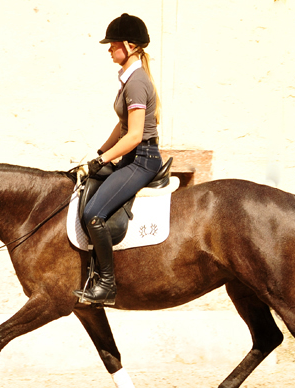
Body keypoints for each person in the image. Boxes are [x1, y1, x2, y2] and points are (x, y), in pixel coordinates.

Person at [74, 13, 163, 305]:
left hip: (142, 159)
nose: (109, 49)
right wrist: (99, 154)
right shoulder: (130, 79)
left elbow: (135, 135)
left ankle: (106, 285)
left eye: (113, 45)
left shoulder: (136, 82)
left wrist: (101, 162)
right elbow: (121, 125)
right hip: (132, 157)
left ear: (129, 45)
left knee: (93, 215)